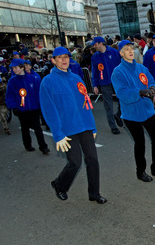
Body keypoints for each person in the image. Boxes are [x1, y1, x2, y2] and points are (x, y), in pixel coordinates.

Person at [39, 47, 106, 204]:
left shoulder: (76, 78)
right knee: (75, 162)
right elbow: (49, 110)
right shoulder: (47, 82)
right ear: (53, 60)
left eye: (66, 57)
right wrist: (58, 134)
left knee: (93, 161)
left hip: (85, 127)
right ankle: (60, 185)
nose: (64, 60)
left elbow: (86, 104)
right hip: (67, 130)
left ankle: (94, 193)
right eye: (60, 57)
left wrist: (93, 126)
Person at [111, 40, 155, 182]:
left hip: (147, 111)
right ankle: (140, 171)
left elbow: (151, 81)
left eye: (132, 48)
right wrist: (140, 92)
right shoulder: (118, 72)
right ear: (121, 53)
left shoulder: (142, 68)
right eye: (126, 49)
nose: (130, 51)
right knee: (140, 143)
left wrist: (154, 88)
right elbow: (122, 93)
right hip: (131, 114)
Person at [6, 58, 50, 154]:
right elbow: (10, 95)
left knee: (37, 128)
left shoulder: (33, 78)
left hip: (33, 108)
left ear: (22, 68)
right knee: (25, 128)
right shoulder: (12, 81)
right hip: (21, 109)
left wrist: (40, 105)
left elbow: (38, 93)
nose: (14, 70)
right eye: (13, 68)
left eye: (16, 67)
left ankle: (43, 147)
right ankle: (27, 145)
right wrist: (13, 107)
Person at [91, 36, 122, 134]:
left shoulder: (114, 52)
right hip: (104, 83)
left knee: (123, 100)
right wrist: (95, 85)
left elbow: (121, 66)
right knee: (108, 106)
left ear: (101, 43)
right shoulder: (95, 57)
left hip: (116, 81)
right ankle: (113, 126)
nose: (94, 46)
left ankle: (118, 114)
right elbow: (94, 72)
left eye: (95, 44)